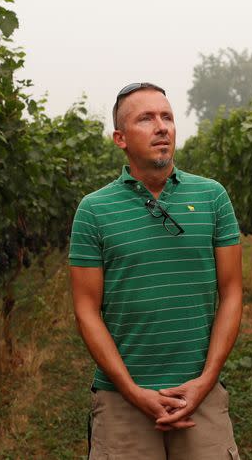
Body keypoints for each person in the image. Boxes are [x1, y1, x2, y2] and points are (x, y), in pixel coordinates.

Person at [68, 82, 243, 459]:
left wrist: (206, 381)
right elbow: (86, 310)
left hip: (202, 397)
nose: (161, 126)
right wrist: (132, 391)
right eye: (146, 119)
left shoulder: (213, 197)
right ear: (120, 138)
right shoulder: (94, 211)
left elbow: (232, 294)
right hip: (121, 403)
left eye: (167, 117)